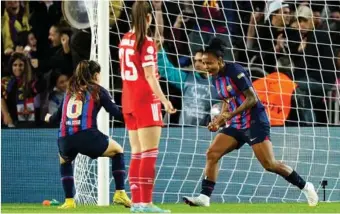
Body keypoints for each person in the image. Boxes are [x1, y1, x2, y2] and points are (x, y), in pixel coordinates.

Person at [182, 38, 318, 207]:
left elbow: (252, 99)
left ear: (220, 60)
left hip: (254, 122)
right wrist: (218, 121)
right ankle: (204, 197)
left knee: (269, 164)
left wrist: (229, 115)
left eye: (209, 63)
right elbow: (227, 99)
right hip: (236, 123)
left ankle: (305, 186)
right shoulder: (215, 77)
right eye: (203, 63)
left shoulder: (235, 71)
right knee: (212, 153)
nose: (206, 67)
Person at [45, 60, 131, 209]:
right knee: (118, 151)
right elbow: (115, 113)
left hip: (65, 139)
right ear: (96, 75)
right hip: (87, 136)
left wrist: (48, 118)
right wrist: (132, 116)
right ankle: (120, 192)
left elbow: (57, 117)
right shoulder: (97, 89)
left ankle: (69, 201)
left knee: (64, 161)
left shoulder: (69, 91)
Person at [119, 1, 176, 213]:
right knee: (149, 153)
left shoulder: (125, 39)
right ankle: (146, 203)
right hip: (145, 100)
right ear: (149, 18)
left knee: (136, 152)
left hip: (128, 100)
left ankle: (136, 204)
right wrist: (164, 100)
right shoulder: (146, 42)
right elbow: (150, 76)